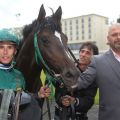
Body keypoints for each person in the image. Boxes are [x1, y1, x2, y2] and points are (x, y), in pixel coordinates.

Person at [0, 29, 50, 120]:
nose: (5, 52)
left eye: (9, 47)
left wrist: (38, 94)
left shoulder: (19, 76)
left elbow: (21, 97)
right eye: (1, 47)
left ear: (15, 51)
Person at [76, 23, 120, 120]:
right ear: (108, 39)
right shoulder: (98, 61)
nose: (118, 37)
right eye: (114, 34)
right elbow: (79, 82)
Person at [54, 42, 99, 120]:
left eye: (88, 53)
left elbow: (89, 101)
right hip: (60, 115)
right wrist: (62, 100)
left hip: (79, 117)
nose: (83, 55)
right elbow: (58, 94)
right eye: (82, 51)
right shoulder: (66, 69)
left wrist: (75, 101)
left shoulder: (93, 75)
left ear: (94, 57)